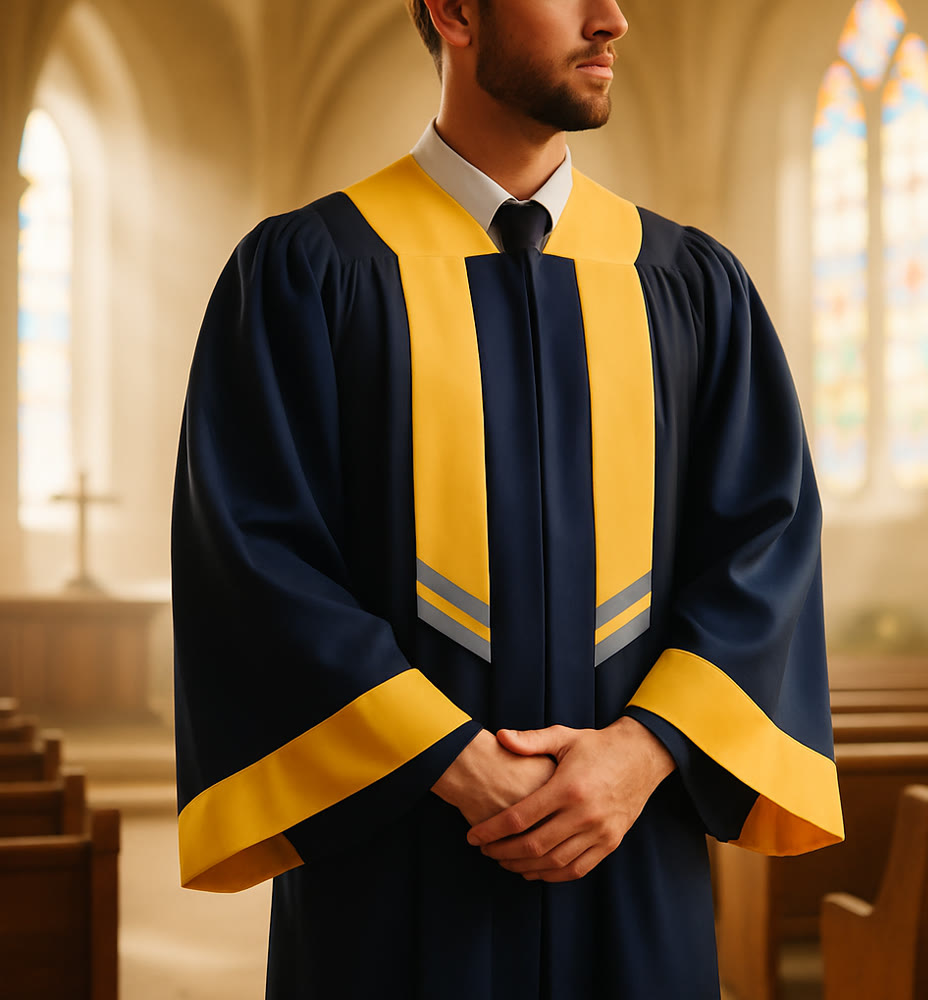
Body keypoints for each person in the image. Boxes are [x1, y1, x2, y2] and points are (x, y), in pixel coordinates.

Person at [171, 0, 844, 996]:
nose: (610, 19)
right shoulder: (307, 276)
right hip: (396, 858)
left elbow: (766, 544)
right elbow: (254, 557)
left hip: (630, 852)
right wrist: (448, 759)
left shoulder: (690, 287)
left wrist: (642, 751)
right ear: (453, 12)